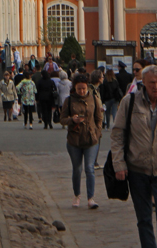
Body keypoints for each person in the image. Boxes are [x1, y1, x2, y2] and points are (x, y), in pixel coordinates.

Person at [112, 65, 157, 248]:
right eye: (152, 82)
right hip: (138, 169)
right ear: (143, 82)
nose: (156, 87)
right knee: (144, 218)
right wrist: (119, 164)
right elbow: (118, 133)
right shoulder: (130, 102)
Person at [60, 73, 104, 209]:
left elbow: (99, 118)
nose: (82, 91)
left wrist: (97, 131)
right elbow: (62, 119)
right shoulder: (69, 100)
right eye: (79, 89)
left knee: (90, 168)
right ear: (75, 88)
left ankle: (91, 198)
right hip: (75, 139)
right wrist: (72, 120)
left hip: (91, 139)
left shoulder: (93, 99)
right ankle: (77, 195)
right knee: (77, 169)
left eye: (84, 88)